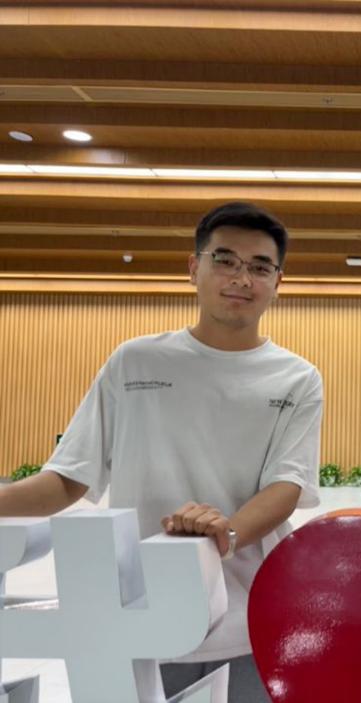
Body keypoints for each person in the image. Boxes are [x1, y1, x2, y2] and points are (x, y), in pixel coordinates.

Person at [0, 201, 323, 701]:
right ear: (194, 268)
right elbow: (68, 478)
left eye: (260, 267)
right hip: (141, 616)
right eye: (225, 260)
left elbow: (287, 484)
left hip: (251, 616)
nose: (242, 278)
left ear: (278, 282)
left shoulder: (296, 377)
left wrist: (224, 534)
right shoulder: (135, 362)